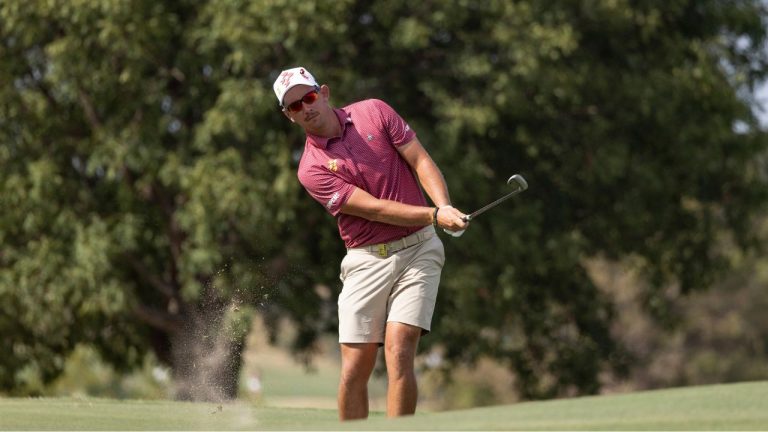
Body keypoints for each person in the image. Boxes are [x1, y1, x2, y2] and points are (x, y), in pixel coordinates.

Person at [273, 66, 468, 420]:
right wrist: (434, 216)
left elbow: (420, 159)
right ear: (289, 117)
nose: (306, 108)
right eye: (295, 107)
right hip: (365, 261)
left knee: (400, 349)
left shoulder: (375, 112)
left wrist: (444, 206)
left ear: (325, 92)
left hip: (419, 249)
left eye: (309, 97)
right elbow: (375, 210)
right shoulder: (311, 169)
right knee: (354, 371)